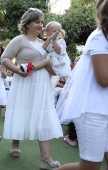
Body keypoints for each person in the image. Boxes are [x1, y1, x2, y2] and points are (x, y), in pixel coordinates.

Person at [0, 8, 63, 169]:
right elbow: (5, 58)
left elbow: (53, 65)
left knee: (43, 117)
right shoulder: (19, 40)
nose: (41, 25)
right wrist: (17, 71)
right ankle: (15, 143)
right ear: (28, 24)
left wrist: (51, 67)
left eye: (42, 22)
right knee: (22, 112)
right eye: (37, 22)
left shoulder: (44, 43)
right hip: (24, 83)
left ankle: (45, 158)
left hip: (42, 86)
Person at [55, 1, 108, 170]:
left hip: (104, 108)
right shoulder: (100, 37)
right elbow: (103, 79)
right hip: (92, 110)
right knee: (89, 166)